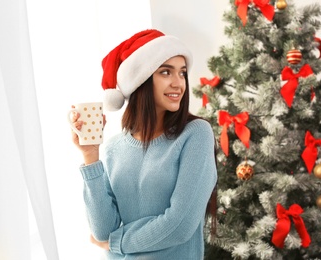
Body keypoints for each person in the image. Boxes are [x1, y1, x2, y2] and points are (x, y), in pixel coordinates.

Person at [71, 29, 217, 259]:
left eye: (182, 73)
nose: (178, 83)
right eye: (166, 72)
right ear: (141, 80)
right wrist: (91, 156)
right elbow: (101, 231)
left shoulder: (196, 135)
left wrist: (116, 242)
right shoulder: (113, 148)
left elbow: (179, 225)